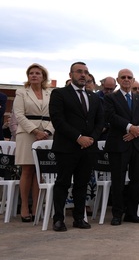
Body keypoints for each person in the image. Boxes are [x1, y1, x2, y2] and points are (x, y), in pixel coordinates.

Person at [49, 62, 104, 232]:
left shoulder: (93, 97)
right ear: (71, 74)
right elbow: (58, 120)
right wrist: (78, 138)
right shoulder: (59, 93)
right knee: (63, 183)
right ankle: (58, 219)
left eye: (86, 72)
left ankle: (79, 218)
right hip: (67, 147)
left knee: (82, 184)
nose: (83, 75)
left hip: (88, 148)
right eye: (79, 72)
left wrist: (92, 139)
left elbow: (100, 121)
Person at [103, 69, 139, 225]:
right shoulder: (111, 98)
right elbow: (111, 116)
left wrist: (138, 131)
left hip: (138, 145)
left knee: (137, 180)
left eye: (129, 77)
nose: (126, 80)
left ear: (133, 79)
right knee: (118, 180)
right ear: (118, 80)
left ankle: (132, 213)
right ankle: (117, 214)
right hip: (119, 144)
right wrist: (130, 127)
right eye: (123, 77)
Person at [13, 63, 54, 222]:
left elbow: (56, 115)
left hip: (46, 134)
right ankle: (24, 207)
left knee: (41, 171)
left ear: (43, 76)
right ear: (28, 76)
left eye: (37, 73)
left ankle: (37, 206)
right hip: (27, 133)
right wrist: (35, 131)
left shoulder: (50, 93)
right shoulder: (21, 92)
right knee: (28, 170)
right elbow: (19, 115)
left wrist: (48, 131)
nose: (34, 75)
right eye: (31, 73)